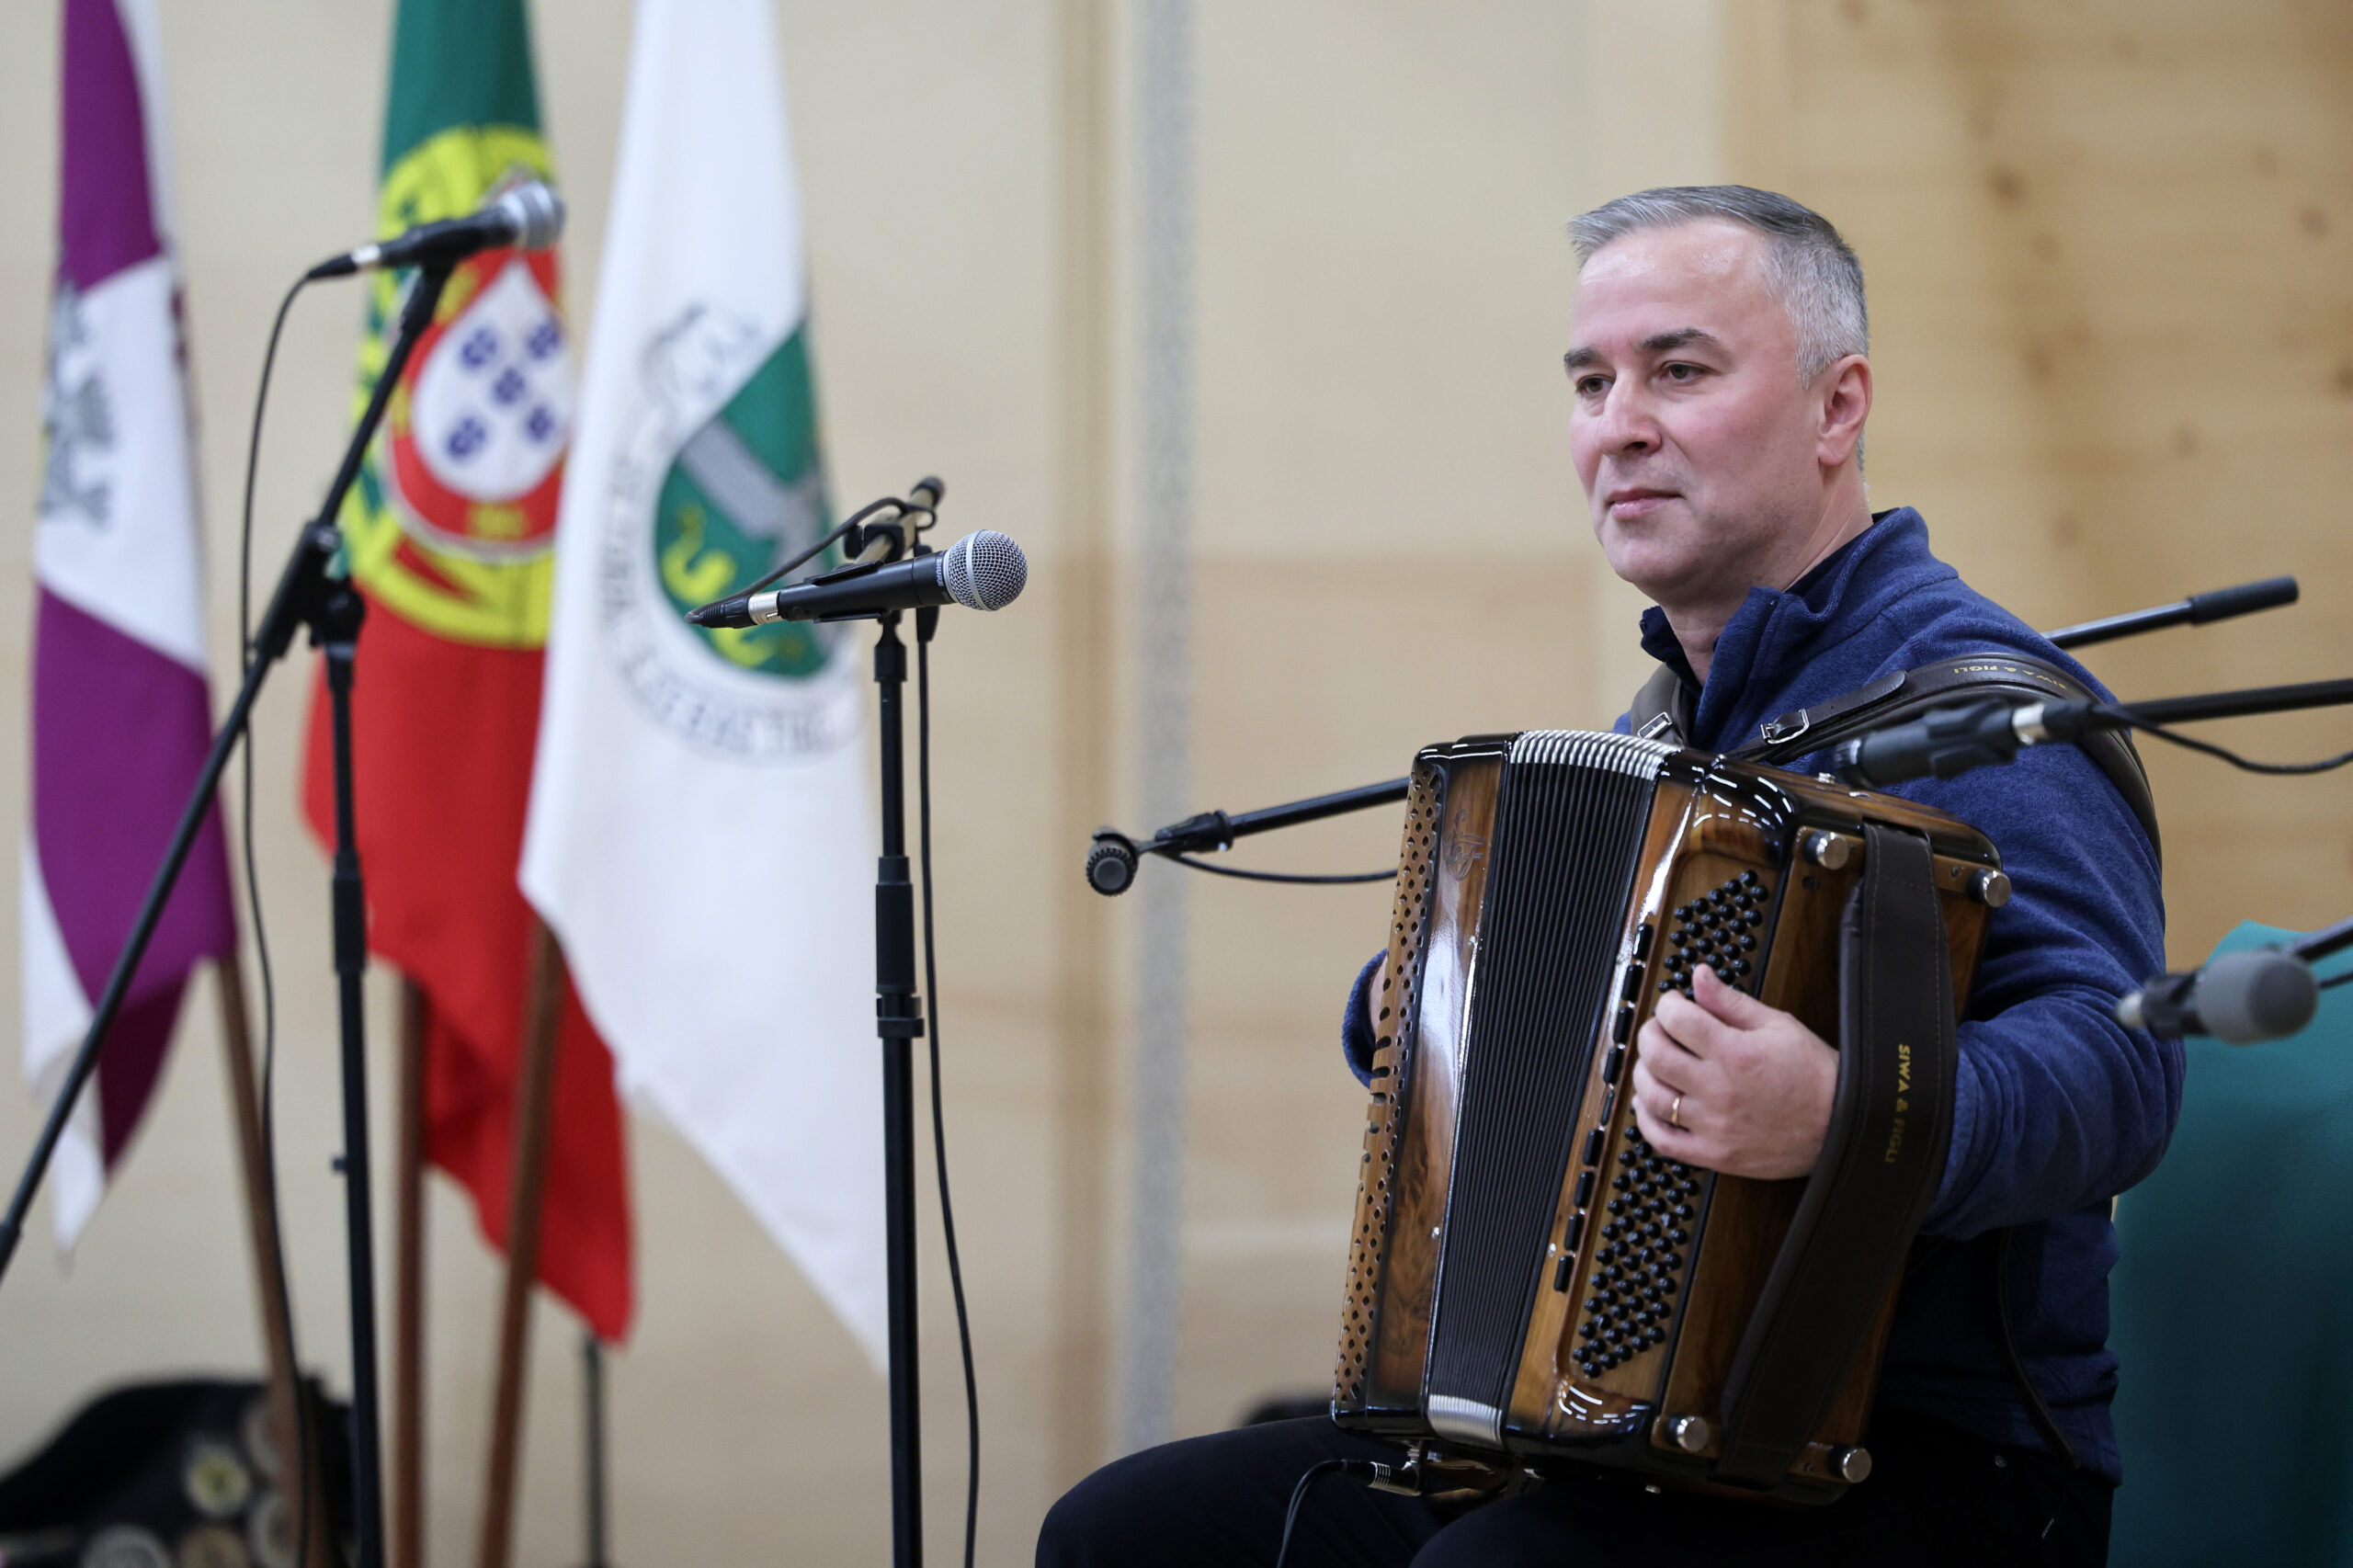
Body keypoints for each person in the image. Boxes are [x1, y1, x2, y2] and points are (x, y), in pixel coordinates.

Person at [1038, 187, 2176, 1567]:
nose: (1618, 424)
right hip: (1618, 1439)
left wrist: (1841, 1110)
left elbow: (2124, 1069)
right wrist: (1414, 1004)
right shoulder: (1662, 733)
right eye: (1591, 382)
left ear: (1838, 407)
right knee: (1127, 1533)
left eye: (1678, 370)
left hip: (1936, 1462)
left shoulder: (1983, 713)